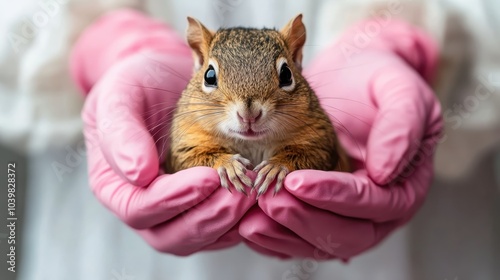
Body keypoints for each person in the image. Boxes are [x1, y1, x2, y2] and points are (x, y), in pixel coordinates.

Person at [1, 1, 498, 279]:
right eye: (214, 79)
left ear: (296, 58)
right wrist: (101, 39)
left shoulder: (308, 118)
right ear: (199, 63)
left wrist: (403, 34)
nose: (248, 112)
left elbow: (323, 151)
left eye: (282, 78)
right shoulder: (190, 117)